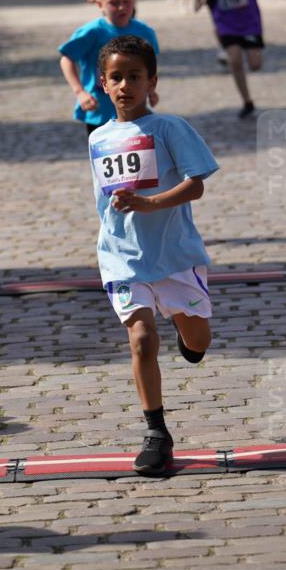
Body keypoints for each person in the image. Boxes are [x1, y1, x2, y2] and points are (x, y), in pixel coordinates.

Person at [89, 35, 219, 475]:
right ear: (103, 84)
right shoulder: (99, 139)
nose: (125, 85)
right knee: (142, 339)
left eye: (134, 76)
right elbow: (104, 201)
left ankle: (188, 337)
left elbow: (196, 183)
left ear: (151, 81)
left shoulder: (169, 128)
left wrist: (150, 203)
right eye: (116, 77)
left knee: (198, 340)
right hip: (122, 256)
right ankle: (156, 433)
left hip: (175, 255)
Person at [59, 0, 159, 135]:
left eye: (126, 1)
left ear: (134, 0)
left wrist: (151, 89)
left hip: (134, 109)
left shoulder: (145, 32)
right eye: (114, 2)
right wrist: (80, 92)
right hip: (99, 111)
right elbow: (66, 59)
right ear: (100, 4)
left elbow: (149, 63)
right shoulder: (91, 32)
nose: (121, 7)